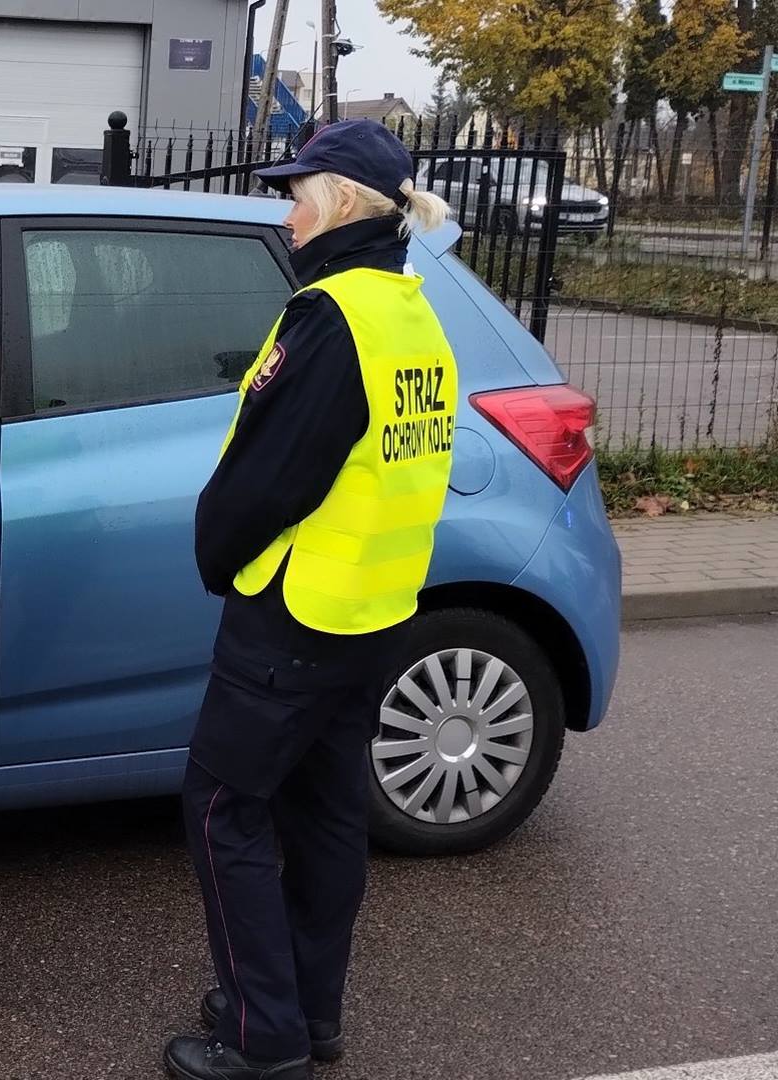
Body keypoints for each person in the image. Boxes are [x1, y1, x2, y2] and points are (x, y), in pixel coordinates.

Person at [165, 119, 457, 1080]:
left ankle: (263, 1037)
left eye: (297, 196)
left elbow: (270, 479)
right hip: (372, 613)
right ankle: (307, 1013)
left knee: (222, 807)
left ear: (335, 201)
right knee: (327, 813)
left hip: (293, 616)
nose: (286, 216)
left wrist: (216, 551)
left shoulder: (330, 316)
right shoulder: (411, 312)